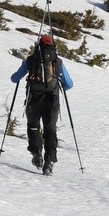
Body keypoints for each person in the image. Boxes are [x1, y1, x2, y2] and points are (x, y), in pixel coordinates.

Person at [10, 35, 74, 174]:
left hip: (34, 98)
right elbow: (69, 84)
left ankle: (36, 154)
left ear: (38, 45)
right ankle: (49, 162)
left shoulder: (31, 60)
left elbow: (14, 79)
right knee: (50, 131)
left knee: (33, 126)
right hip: (52, 100)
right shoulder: (58, 62)